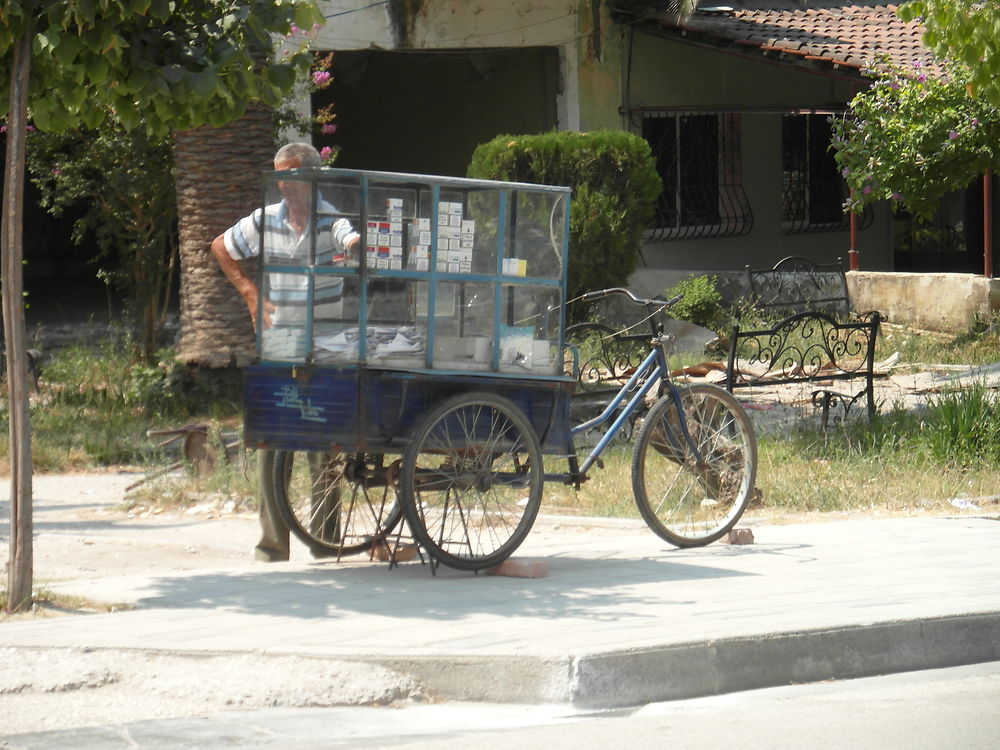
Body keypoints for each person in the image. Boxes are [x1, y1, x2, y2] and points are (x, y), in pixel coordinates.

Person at [210, 142, 359, 562]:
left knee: (322, 441)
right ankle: (272, 545)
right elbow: (221, 245)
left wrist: (361, 248)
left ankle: (324, 541)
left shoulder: (332, 219)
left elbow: (352, 239)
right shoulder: (264, 219)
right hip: (278, 341)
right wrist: (250, 293)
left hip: (326, 343)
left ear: (312, 177)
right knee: (271, 439)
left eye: (291, 176)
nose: (284, 185)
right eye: (279, 176)